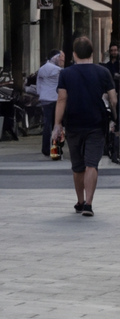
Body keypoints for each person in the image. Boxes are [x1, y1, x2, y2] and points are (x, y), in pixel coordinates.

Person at [52, 36, 118, 217]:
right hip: (96, 124)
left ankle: (80, 201)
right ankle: (89, 204)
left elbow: (62, 99)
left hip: (73, 124)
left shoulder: (65, 74)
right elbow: (113, 99)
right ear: (92, 53)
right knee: (91, 164)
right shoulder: (103, 72)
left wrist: (57, 124)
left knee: (78, 165)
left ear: (74, 54)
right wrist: (115, 119)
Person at [40, 46, 68, 159]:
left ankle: (46, 148)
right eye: (61, 57)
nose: (62, 60)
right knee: (57, 125)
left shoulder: (42, 69)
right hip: (56, 100)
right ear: (55, 57)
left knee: (47, 125)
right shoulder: (58, 71)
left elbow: (38, 84)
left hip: (45, 99)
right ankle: (56, 149)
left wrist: (41, 94)